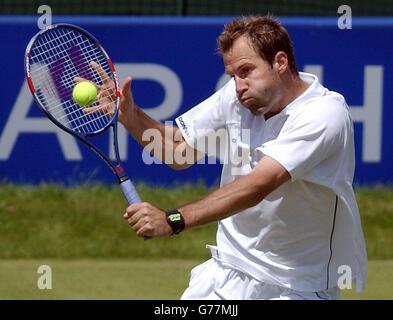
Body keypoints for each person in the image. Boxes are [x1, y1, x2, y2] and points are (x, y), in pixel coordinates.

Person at [88, 15, 368, 300]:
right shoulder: (237, 97)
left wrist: (172, 219)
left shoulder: (324, 113)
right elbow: (177, 151)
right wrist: (131, 115)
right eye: (233, 74)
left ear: (280, 62)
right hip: (227, 274)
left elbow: (258, 184)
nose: (238, 85)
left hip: (295, 286)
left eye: (246, 70)